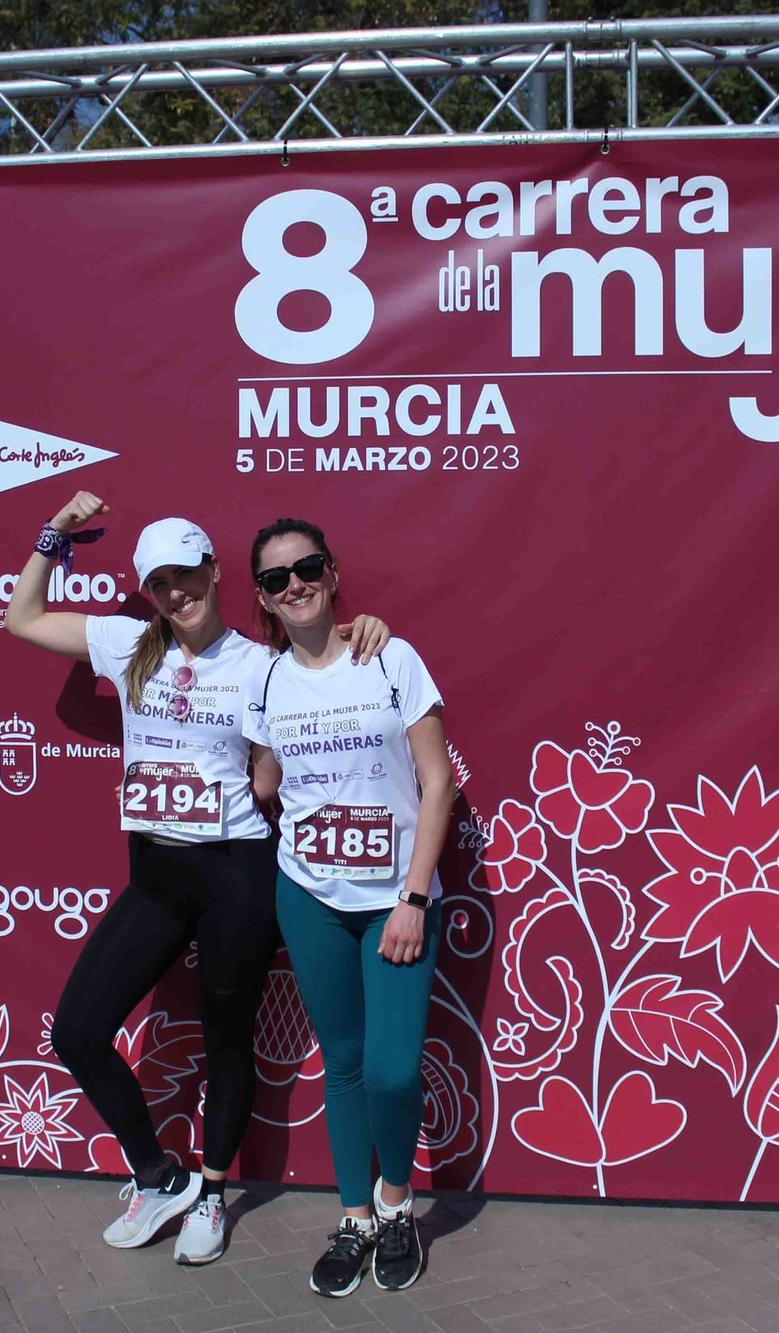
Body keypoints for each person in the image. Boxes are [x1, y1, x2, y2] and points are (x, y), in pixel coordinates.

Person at [3, 492, 389, 1266]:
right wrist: (57, 532)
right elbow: (23, 617)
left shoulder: (262, 665)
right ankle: (158, 1177)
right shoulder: (127, 643)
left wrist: (361, 633)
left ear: (214, 572)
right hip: (156, 873)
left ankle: (212, 1193)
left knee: (225, 1038)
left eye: (187, 576)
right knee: (77, 1028)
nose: (175, 594)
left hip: (235, 873)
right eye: (160, 583)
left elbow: (310, 705)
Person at [241, 518, 453, 1298]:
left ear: (331, 573)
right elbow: (266, 785)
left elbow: (438, 781)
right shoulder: (264, 679)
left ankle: (398, 1205)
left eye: (306, 567)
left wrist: (413, 897)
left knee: (394, 1071)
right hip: (309, 898)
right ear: (262, 598)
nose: (293, 583)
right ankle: (357, 1217)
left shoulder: (390, 657)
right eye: (274, 577)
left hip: (395, 900)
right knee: (346, 1065)